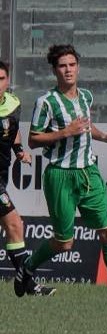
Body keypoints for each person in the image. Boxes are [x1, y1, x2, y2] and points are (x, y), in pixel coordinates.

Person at [17, 45, 107, 304]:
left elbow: (85, 125)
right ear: (54, 70)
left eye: (72, 64)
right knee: (64, 243)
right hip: (60, 175)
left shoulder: (85, 97)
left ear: (78, 67)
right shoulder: (46, 102)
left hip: (88, 173)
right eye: (62, 66)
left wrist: (105, 137)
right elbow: (34, 140)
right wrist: (64, 132)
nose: (68, 70)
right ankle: (26, 268)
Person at [0, 62, 54, 296]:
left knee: (12, 228)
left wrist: (19, 150)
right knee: (14, 223)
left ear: (8, 81)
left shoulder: (13, 104)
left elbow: (12, 131)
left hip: (2, 175)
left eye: (1, 78)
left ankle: (26, 282)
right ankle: (28, 283)